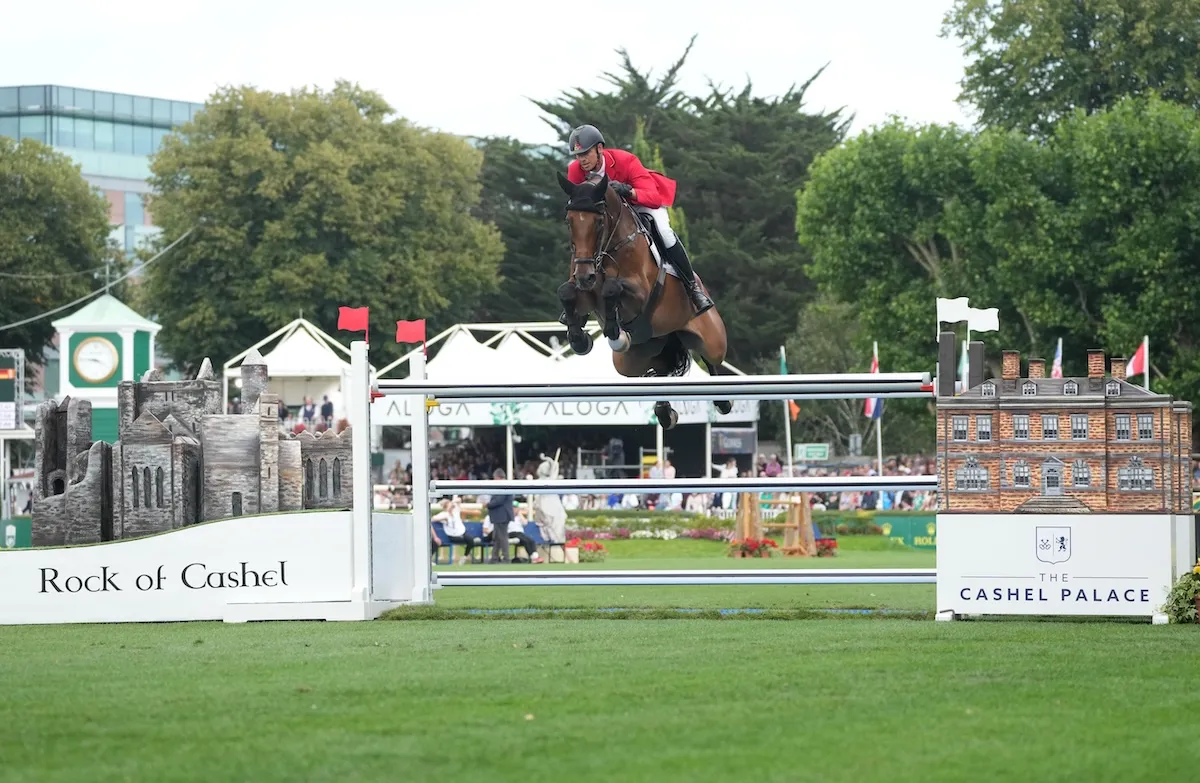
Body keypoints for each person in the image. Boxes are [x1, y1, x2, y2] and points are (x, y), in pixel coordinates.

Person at [563, 124, 714, 315]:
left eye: (586, 153)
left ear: (599, 148)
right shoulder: (575, 171)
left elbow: (653, 197)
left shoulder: (625, 160)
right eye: (578, 155)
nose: (581, 160)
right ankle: (578, 293)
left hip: (640, 202)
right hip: (608, 214)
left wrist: (627, 190)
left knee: (665, 233)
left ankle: (692, 288)